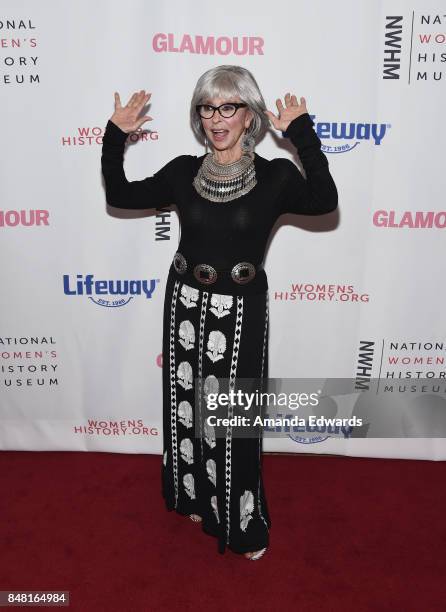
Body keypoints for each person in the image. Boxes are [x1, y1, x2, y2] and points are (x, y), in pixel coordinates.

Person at [101, 64, 338, 561]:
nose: (216, 118)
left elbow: (325, 201)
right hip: (185, 302)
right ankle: (191, 497)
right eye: (207, 108)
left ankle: (241, 521)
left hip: (242, 312)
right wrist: (115, 136)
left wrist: (301, 134)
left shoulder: (275, 177)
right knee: (186, 408)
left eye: (228, 107)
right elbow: (121, 194)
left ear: (249, 114)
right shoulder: (182, 171)